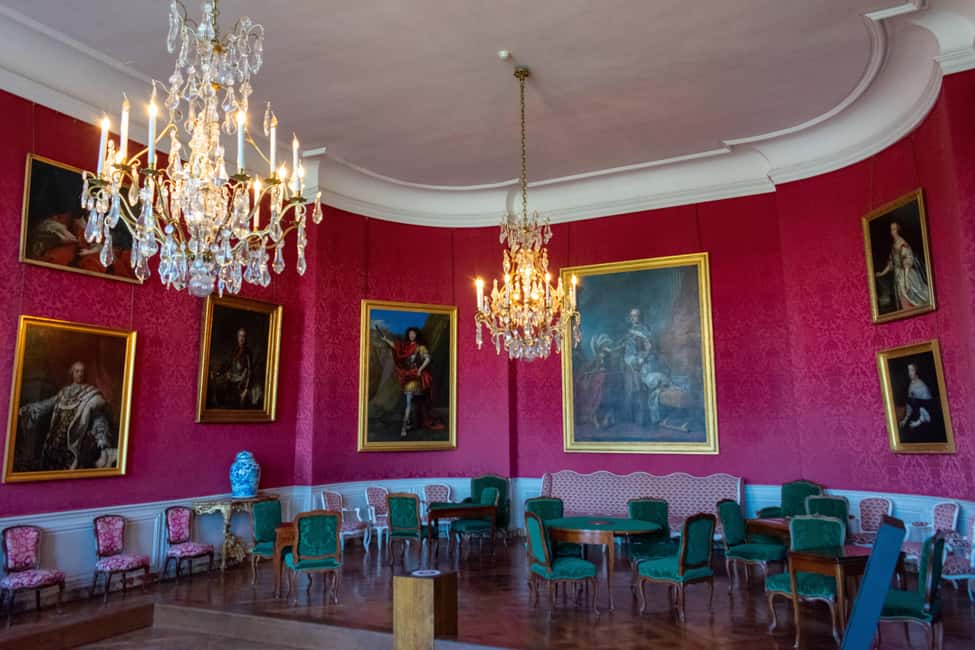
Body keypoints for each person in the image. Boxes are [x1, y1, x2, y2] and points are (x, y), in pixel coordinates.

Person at [18, 361, 114, 471]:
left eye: (82, 371)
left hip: (75, 443)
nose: (80, 374)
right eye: (77, 371)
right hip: (53, 442)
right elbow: (47, 404)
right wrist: (29, 408)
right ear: (72, 373)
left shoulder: (91, 394)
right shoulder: (64, 392)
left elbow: (99, 419)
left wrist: (102, 440)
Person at [378, 326, 442, 437]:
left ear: (416, 335)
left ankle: (406, 426)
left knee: (415, 403)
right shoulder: (406, 347)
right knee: (410, 403)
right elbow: (396, 347)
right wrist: (385, 339)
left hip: (415, 376)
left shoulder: (420, 347)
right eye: (410, 334)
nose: (411, 335)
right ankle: (406, 425)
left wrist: (420, 369)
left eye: (413, 334)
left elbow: (428, 359)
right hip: (407, 376)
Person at [875, 221, 930, 311]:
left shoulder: (903, 244)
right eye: (891, 230)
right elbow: (891, 263)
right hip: (899, 277)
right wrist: (881, 273)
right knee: (903, 301)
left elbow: (908, 260)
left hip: (907, 276)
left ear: (898, 230)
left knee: (914, 299)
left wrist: (906, 280)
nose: (892, 232)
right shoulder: (894, 245)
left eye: (894, 229)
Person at [210, 327, 260, 408]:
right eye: (240, 336)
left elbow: (250, 371)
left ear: (245, 338)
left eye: (243, 336)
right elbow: (227, 364)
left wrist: (246, 389)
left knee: (239, 403)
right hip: (232, 380)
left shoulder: (248, 352)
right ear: (237, 337)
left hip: (242, 383)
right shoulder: (233, 350)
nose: (241, 338)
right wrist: (218, 373)